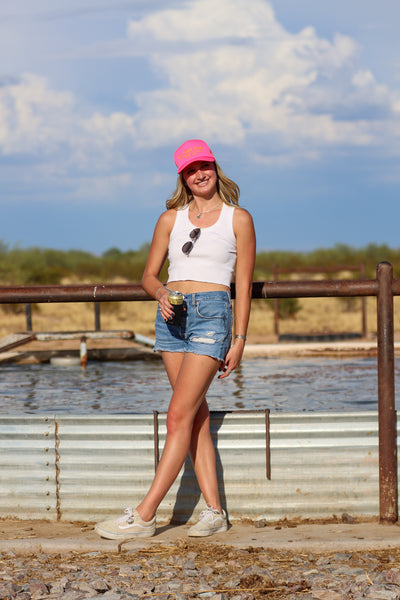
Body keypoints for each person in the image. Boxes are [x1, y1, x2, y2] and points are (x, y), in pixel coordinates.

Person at [95, 139, 256, 539]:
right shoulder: (170, 219)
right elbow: (149, 276)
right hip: (171, 319)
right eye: (190, 170)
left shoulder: (238, 219)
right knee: (195, 416)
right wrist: (161, 293)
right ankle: (215, 513)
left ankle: (145, 515)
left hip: (212, 316)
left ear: (215, 168)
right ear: (182, 178)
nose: (200, 174)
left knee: (177, 416)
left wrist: (239, 339)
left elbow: (243, 285)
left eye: (205, 166)